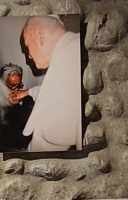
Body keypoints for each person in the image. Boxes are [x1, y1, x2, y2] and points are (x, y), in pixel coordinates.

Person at [12, 15, 81, 152]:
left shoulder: (66, 61)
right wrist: (26, 92)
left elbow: (44, 148)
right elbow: (52, 90)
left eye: (27, 46)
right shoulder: (73, 46)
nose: (28, 57)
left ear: (39, 35)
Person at [0, 63, 33, 152]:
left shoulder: (25, 102)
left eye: (19, 85)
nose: (16, 90)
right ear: (2, 85)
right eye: (12, 86)